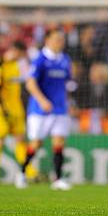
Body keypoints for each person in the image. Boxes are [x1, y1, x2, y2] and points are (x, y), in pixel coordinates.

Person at [16, 29, 73, 191]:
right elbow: (30, 83)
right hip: (40, 110)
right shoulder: (40, 60)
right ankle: (21, 172)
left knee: (59, 142)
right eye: (57, 39)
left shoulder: (65, 60)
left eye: (61, 39)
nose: (60, 43)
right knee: (36, 143)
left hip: (60, 109)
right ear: (47, 40)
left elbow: (67, 83)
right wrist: (42, 100)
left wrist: (69, 102)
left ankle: (58, 179)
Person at [0, 41, 37, 183]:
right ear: (14, 50)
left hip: (16, 109)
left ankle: (30, 172)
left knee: (20, 139)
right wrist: (3, 108)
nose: (21, 57)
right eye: (20, 54)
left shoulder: (17, 65)